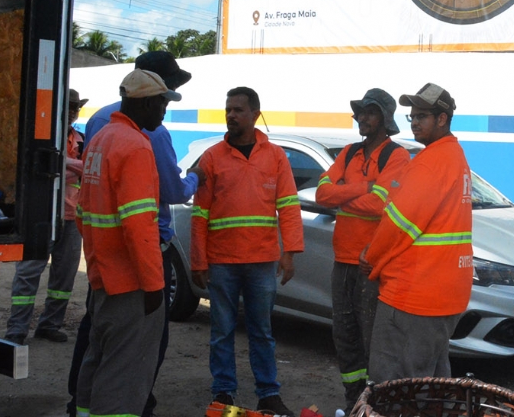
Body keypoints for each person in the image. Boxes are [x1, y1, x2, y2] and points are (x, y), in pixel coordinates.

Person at [68, 51, 199, 417]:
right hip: (132, 282)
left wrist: (97, 263)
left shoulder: (100, 137)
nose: (163, 112)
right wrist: (154, 284)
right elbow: (139, 227)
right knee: (126, 374)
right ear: (143, 104)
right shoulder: (137, 145)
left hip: (103, 275)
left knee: (97, 358)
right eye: (161, 103)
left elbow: (84, 213)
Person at [190, 86, 303, 416]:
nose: (231, 115)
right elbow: (200, 213)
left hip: (262, 261)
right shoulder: (212, 157)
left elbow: (289, 206)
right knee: (221, 331)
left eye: (238, 110)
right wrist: (199, 260)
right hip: (222, 261)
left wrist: (290, 252)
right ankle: (223, 392)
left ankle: (268, 393)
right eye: (228, 110)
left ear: (255, 114)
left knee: (262, 333)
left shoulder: (275, 156)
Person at [365, 83, 472, 384]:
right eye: (412, 115)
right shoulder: (455, 156)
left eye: (422, 116)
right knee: (432, 385)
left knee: (396, 388)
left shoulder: (431, 163)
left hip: (413, 295)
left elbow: (399, 225)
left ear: (442, 119)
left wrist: (370, 257)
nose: (413, 121)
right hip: (443, 294)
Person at [315, 88, 410, 412]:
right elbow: (322, 194)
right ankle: (353, 401)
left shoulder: (395, 156)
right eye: (360, 112)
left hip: (371, 263)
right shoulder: (349, 152)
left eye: (370, 113)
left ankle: (377, 403)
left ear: (384, 119)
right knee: (344, 337)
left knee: (373, 340)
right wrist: (363, 188)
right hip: (342, 261)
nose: (362, 118)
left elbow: (381, 203)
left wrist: (344, 192)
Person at [4, 89, 88, 345]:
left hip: (72, 217)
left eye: (76, 108)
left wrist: (65, 165)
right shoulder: (42, 137)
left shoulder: (81, 140)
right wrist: (72, 166)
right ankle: (17, 329)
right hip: (41, 215)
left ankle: (50, 325)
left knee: (64, 277)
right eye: (69, 107)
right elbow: (45, 164)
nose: (73, 112)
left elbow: (84, 169)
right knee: (28, 272)